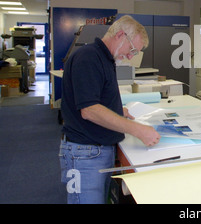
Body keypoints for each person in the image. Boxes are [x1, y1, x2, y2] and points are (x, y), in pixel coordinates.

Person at [59, 15, 160, 204]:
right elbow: (89, 110)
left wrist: (116, 109)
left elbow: (94, 98)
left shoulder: (105, 58)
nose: (130, 56)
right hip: (85, 154)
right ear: (120, 35)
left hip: (96, 151)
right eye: (131, 50)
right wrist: (138, 130)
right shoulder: (88, 57)